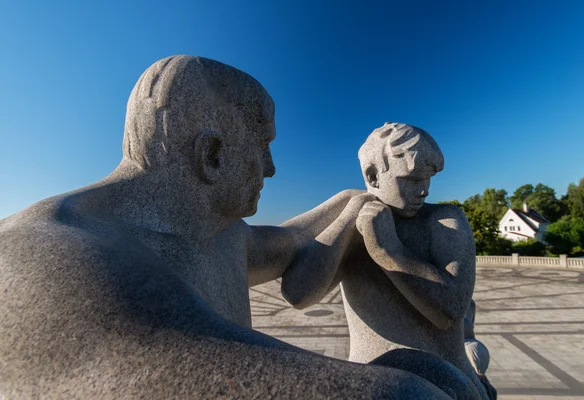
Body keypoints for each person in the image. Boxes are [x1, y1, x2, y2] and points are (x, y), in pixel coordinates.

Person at [0, 56, 458, 398]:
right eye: (263, 149)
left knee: (432, 373)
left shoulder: (216, 234)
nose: (272, 169)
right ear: (213, 156)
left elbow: (291, 242)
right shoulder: (48, 254)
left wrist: (349, 201)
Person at [282, 122, 490, 399]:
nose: (424, 189)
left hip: (449, 388)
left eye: (428, 179)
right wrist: (349, 217)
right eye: (412, 179)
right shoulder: (354, 224)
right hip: (370, 386)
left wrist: (389, 252)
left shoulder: (444, 221)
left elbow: (450, 312)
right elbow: (297, 294)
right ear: (373, 175)